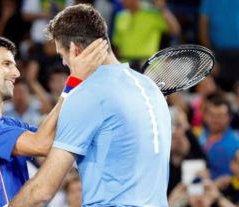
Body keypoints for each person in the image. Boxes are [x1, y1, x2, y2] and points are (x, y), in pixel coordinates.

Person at [10, 4, 171, 206]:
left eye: (62, 56)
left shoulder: (86, 95)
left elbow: (43, 190)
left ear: (75, 50)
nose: (65, 64)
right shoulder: (150, 86)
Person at [0, 36, 107, 207]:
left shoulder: (11, 124)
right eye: (6, 64)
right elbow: (41, 144)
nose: (17, 73)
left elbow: (56, 140)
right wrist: (74, 81)